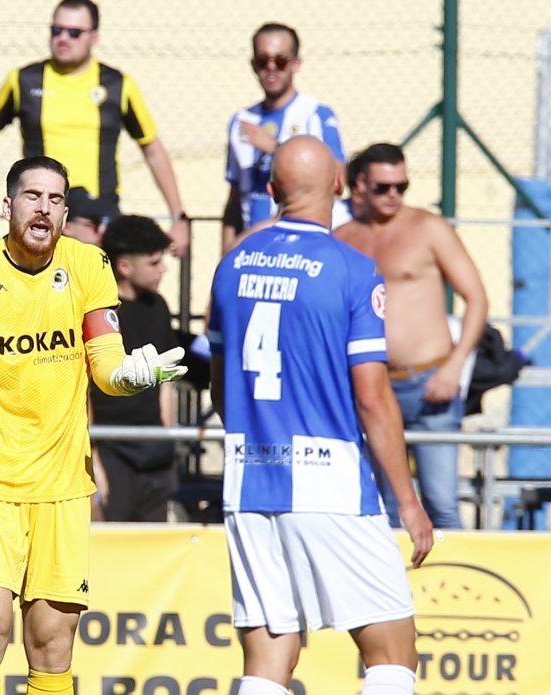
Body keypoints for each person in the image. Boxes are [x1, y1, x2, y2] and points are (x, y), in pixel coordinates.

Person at [0, 156, 185, 695]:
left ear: (65, 213)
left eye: (55, 200)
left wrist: (132, 378)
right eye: (32, 196)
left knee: (52, 645)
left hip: (62, 487)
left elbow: (106, 368)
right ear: (8, 206)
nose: (43, 208)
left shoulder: (90, 264)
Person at [209, 136, 433, 695]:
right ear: (339, 184)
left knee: (268, 657)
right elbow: (373, 399)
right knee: (392, 653)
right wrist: (408, 502)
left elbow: (220, 385)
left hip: (248, 475)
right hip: (327, 477)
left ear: (270, 190)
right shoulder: (353, 270)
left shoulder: (231, 266)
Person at [334, 143, 488, 530]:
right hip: (373, 385)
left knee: (441, 503)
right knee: (384, 507)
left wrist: (454, 367)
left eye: (402, 186)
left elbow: (477, 299)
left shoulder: (428, 228)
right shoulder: (344, 238)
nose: (394, 195)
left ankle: (455, 569)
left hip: (430, 383)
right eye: (384, 187)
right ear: (360, 185)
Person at [0, 0, 191, 256]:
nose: (63, 38)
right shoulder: (24, 80)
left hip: (98, 221)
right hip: (41, 213)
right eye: (56, 30)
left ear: (94, 37)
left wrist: (178, 216)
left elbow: (152, 149)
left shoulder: (117, 84)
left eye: (74, 32)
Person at [222, 23, 349, 254]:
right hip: (253, 249)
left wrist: (275, 149)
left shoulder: (315, 114)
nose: (271, 68)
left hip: (302, 249)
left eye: (280, 60)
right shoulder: (241, 121)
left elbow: (339, 178)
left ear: (295, 64)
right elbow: (234, 199)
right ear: (253, 64)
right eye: (263, 60)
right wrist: (226, 255)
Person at [91, 215, 180, 522]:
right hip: (111, 448)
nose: (163, 269)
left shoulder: (158, 307)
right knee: (111, 543)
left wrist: (166, 436)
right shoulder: (98, 313)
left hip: (154, 450)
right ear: (124, 267)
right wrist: (93, 462)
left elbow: (165, 381)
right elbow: (83, 392)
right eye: (154, 262)